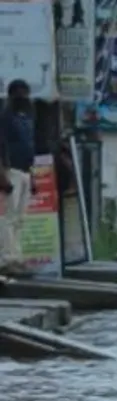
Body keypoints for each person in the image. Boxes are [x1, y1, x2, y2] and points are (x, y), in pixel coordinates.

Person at [0, 80, 36, 273]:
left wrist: (33, 176)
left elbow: (30, 146)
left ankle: (17, 256)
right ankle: (7, 258)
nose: (24, 97)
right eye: (20, 93)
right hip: (11, 170)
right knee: (9, 216)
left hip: (26, 171)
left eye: (26, 92)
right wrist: (2, 173)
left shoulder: (28, 117)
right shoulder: (5, 117)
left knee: (21, 218)